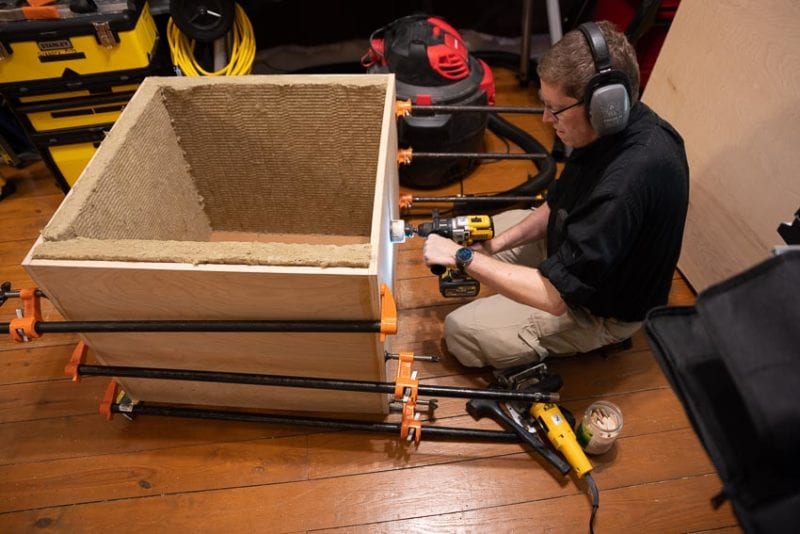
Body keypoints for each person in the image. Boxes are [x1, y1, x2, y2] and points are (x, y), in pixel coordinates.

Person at [422, 21, 689, 369]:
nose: (547, 120)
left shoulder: (624, 183)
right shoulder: (605, 128)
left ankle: (594, 337)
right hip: (577, 249)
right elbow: (558, 203)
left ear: (602, 104)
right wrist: (493, 247)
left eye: (555, 108)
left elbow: (555, 297)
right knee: (488, 232)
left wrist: (463, 258)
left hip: (600, 307)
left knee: (462, 333)